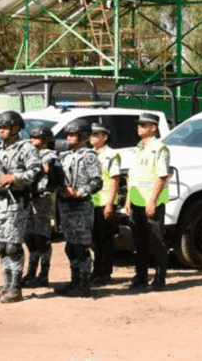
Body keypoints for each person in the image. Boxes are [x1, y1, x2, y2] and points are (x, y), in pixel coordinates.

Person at [0, 110, 41, 303]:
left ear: (16, 128)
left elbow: (35, 171)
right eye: (0, 127)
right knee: (0, 245)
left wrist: (14, 177)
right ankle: (6, 284)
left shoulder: (26, 148)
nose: (2, 131)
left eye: (6, 127)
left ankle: (16, 287)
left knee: (12, 246)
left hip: (15, 201)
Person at [125, 112, 172, 292]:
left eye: (143, 125)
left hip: (152, 201)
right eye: (138, 125)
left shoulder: (159, 148)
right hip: (137, 199)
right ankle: (141, 276)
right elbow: (133, 177)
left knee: (157, 241)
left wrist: (152, 201)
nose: (139, 128)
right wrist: (128, 200)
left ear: (153, 128)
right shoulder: (138, 148)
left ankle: (160, 277)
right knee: (139, 241)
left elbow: (161, 177)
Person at [55, 119, 102, 297]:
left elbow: (96, 181)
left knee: (81, 247)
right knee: (71, 246)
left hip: (80, 206)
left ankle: (83, 284)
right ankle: (74, 281)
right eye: (68, 135)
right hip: (65, 205)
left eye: (73, 135)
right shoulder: (65, 155)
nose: (69, 138)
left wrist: (80, 192)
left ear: (82, 136)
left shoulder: (88, 156)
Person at [22, 125, 58, 288]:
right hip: (30, 198)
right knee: (29, 238)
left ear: (44, 140)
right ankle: (31, 271)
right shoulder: (31, 154)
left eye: (35, 138)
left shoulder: (50, 156)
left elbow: (46, 173)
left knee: (41, 238)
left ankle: (43, 274)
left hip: (43, 198)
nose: (32, 140)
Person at [90, 122, 121, 286]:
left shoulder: (111, 155)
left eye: (96, 135)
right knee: (95, 239)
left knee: (106, 238)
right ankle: (96, 270)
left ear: (105, 137)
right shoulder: (90, 154)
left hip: (105, 201)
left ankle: (105, 272)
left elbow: (115, 179)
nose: (92, 138)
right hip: (93, 202)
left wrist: (110, 203)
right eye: (91, 135)